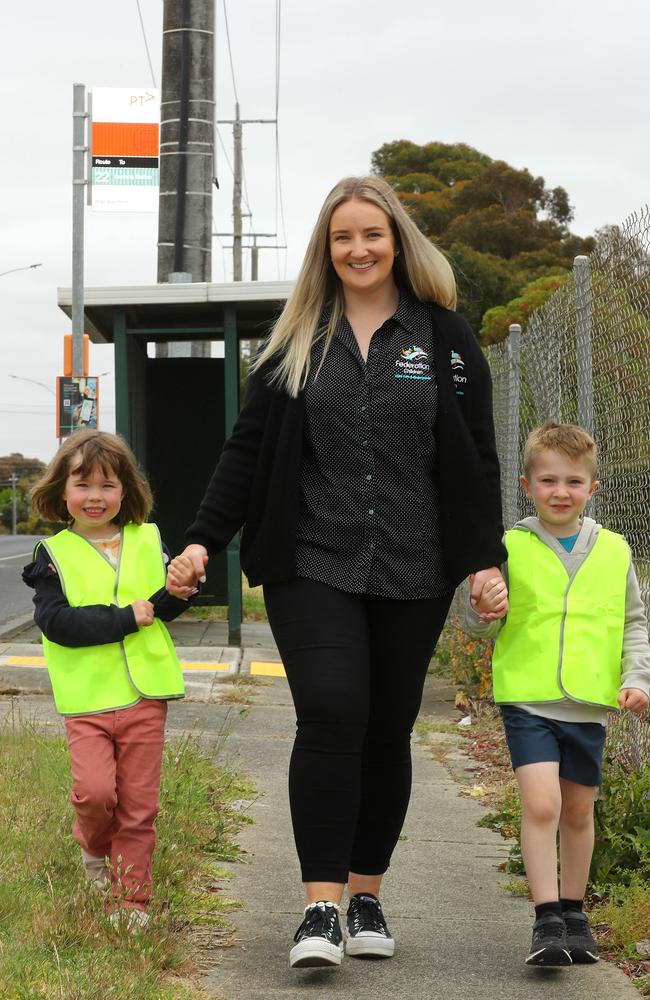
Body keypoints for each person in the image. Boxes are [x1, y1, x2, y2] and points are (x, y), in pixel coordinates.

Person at [167, 175, 507, 969]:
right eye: (342, 237)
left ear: (398, 243)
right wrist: (200, 542)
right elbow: (246, 452)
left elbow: (477, 456)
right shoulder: (295, 340)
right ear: (327, 249)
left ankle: (366, 894)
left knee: (387, 727)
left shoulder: (445, 338)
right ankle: (319, 911)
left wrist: (483, 558)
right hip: (311, 559)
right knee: (330, 708)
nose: (358, 249)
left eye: (371, 235)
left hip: (415, 563)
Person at [467, 422, 650, 967]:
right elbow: (477, 623)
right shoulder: (507, 547)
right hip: (528, 697)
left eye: (573, 481)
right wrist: (482, 609)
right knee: (542, 803)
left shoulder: (615, 551)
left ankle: (575, 914)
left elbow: (634, 622)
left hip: (590, 703)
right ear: (527, 484)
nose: (561, 491)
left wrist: (637, 677)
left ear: (593, 489)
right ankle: (546, 918)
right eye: (548, 480)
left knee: (577, 810)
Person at [23, 430, 191, 931]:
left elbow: (162, 606)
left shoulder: (149, 539)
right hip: (88, 700)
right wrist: (124, 617)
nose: (95, 496)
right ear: (61, 491)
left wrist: (181, 591)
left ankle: (131, 903)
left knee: (139, 806)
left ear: (126, 490)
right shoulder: (53, 554)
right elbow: (56, 623)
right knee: (96, 796)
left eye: (107, 485)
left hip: (146, 695)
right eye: (82, 485)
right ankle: (94, 847)